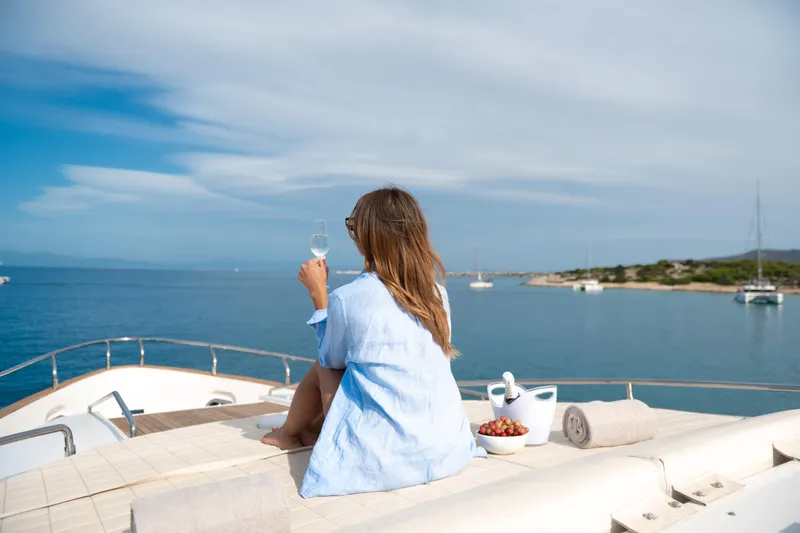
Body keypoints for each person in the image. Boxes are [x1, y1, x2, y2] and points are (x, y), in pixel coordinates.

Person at [261, 186, 484, 498]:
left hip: (383, 462)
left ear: (366, 236)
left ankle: (287, 434)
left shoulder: (348, 298)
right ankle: (303, 429)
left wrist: (319, 296)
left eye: (353, 226)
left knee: (321, 362)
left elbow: (330, 359)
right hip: (447, 449)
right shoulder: (437, 295)